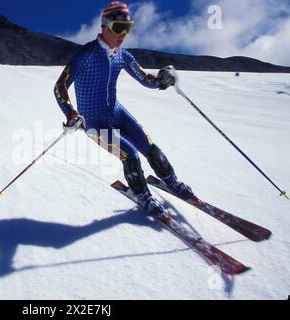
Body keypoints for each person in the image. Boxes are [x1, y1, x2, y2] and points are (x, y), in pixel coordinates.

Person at [53, 1, 193, 215]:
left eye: (128, 28)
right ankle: (142, 195)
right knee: (130, 154)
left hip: (117, 113)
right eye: (119, 27)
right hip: (93, 122)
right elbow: (60, 85)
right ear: (105, 25)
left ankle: (171, 181)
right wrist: (71, 113)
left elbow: (145, 79)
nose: (124, 34)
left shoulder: (123, 56)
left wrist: (163, 79)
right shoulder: (87, 54)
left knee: (149, 146)